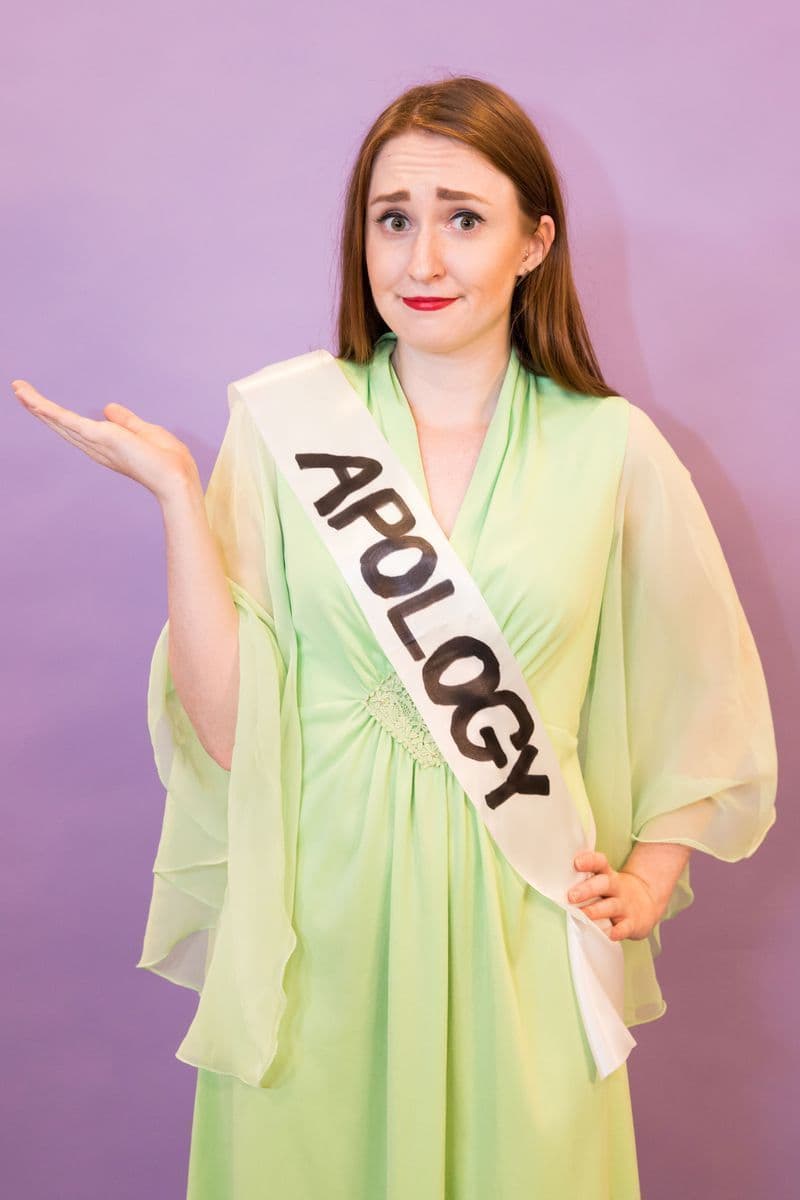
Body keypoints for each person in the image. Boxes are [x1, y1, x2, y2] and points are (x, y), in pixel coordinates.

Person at [12, 75, 777, 1199]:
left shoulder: (611, 449)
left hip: (521, 931)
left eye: (463, 218)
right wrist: (182, 496)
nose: (420, 260)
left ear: (533, 241)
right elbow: (230, 737)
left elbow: (704, 686)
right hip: (322, 927)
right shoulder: (284, 429)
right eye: (392, 219)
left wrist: (652, 874)